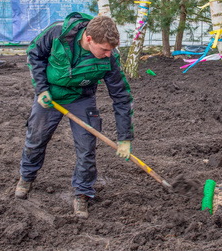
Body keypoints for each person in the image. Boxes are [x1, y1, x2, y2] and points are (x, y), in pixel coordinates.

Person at [14, 12, 134, 219]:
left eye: (111, 50)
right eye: (104, 49)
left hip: (81, 98)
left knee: (87, 148)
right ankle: (27, 176)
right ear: (88, 39)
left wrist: (124, 138)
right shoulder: (58, 33)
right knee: (35, 139)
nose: (108, 54)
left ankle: (82, 192)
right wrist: (41, 89)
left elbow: (121, 97)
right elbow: (34, 53)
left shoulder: (111, 58)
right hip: (50, 96)